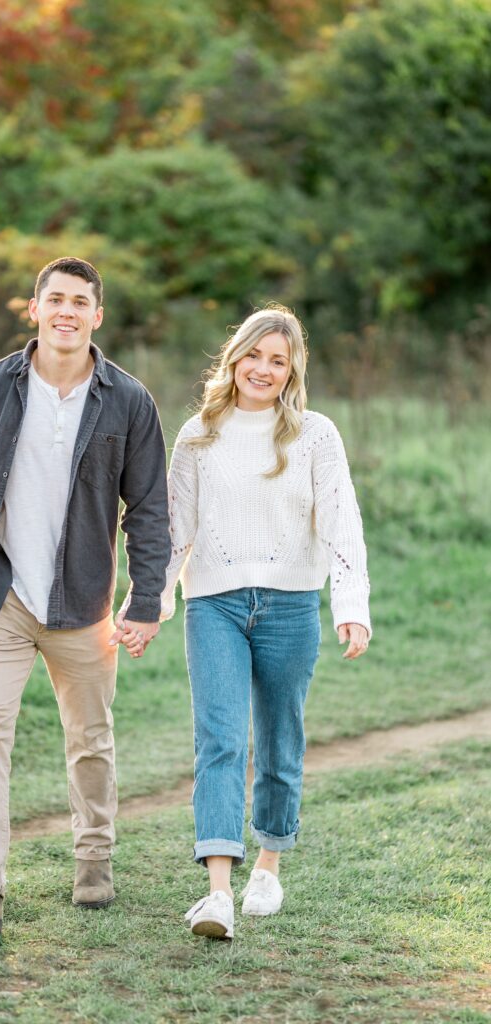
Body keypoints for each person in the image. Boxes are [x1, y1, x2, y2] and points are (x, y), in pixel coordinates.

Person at [0, 256, 170, 935]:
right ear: (33, 309)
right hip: (0, 602)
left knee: (89, 740)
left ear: (97, 316)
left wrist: (144, 599)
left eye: (80, 301)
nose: (66, 310)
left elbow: (149, 509)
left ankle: (93, 860)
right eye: (54, 298)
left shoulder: (129, 401)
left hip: (85, 607)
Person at [161, 305, 370, 941]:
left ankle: (268, 869)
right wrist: (155, 597)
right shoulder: (197, 435)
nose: (263, 369)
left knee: (281, 740)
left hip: (289, 606)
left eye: (278, 361)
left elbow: (342, 523)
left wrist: (351, 604)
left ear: (291, 371)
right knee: (220, 740)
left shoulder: (315, 435)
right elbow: (174, 531)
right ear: (235, 358)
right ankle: (218, 892)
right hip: (215, 604)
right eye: (255, 355)